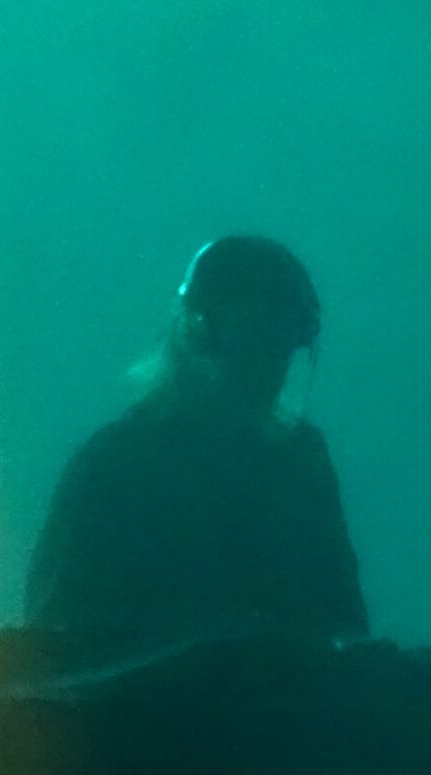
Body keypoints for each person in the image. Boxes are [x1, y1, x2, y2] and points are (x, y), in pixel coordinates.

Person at [25, 236, 367, 655]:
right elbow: (58, 637)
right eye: (253, 335)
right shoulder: (113, 465)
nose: (267, 364)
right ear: (200, 331)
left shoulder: (302, 461)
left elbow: (344, 622)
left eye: (279, 338)